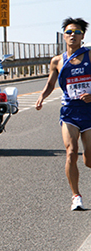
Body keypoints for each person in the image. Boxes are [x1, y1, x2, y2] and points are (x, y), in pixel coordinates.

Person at [36, 17, 91, 211]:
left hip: (89, 111)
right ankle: (76, 196)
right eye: (69, 32)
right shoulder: (57, 61)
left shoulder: (90, 55)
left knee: (89, 159)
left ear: (82, 36)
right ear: (64, 36)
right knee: (71, 152)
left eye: (76, 32)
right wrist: (42, 96)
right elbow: (51, 83)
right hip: (69, 112)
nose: (72, 35)